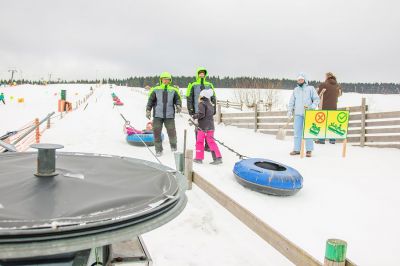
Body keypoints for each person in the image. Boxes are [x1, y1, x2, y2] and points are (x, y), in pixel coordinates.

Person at [146, 72, 182, 156]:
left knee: (171, 131)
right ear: (161, 80)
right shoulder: (155, 89)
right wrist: (148, 110)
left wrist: (178, 105)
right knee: (156, 132)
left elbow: (177, 99)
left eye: (167, 79)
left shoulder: (174, 90)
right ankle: (158, 150)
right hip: (157, 115)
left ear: (170, 80)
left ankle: (173, 146)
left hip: (169, 115)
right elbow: (150, 101)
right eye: (164, 79)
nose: (166, 80)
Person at [287, 74, 320, 157]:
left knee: (308, 132)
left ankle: (309, 150)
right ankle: (296, 149)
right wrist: (290, 110)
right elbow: (291, 101)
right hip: (298, 114)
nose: (299, 81)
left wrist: (313, 106)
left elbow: (316, 99)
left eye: (301, 80)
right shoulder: (295, 90)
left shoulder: (310, 89)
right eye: (298, 80)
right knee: (297, 132)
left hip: (308, 113)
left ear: (304, 80)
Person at [186, 67, 216, 151]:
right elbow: (189, 98)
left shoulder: (209, 84)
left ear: (205, 74)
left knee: (208, 128)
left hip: (208, 110)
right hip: (197, 110)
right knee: (198, 128)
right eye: (200, 73)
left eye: (203, 73)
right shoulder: (193, 84)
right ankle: (199, 145)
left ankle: (207, 145)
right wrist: (190, 109)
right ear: (198, 74)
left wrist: (214, 108)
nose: (202, 74)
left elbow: (213, 97)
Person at [193, 89, 222, 165]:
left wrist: (194, 116)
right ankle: (218, 158)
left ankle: (199, 158)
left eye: (200, 95)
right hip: (211, 126)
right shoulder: (210, 104)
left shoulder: (201, 104)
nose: (199, 96)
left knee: (199, 142)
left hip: (202, 127)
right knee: (211, 142)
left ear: (202, 96)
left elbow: (201, 114)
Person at [316, 72, 342, 144]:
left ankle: (321, 140)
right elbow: (340, 94)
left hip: (323, 107)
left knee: (322, 123)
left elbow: (318, 94)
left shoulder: (323, 85)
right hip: (333, 107)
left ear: (327, 77)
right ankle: (332, 140)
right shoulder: (337, 85)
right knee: (332, 123)